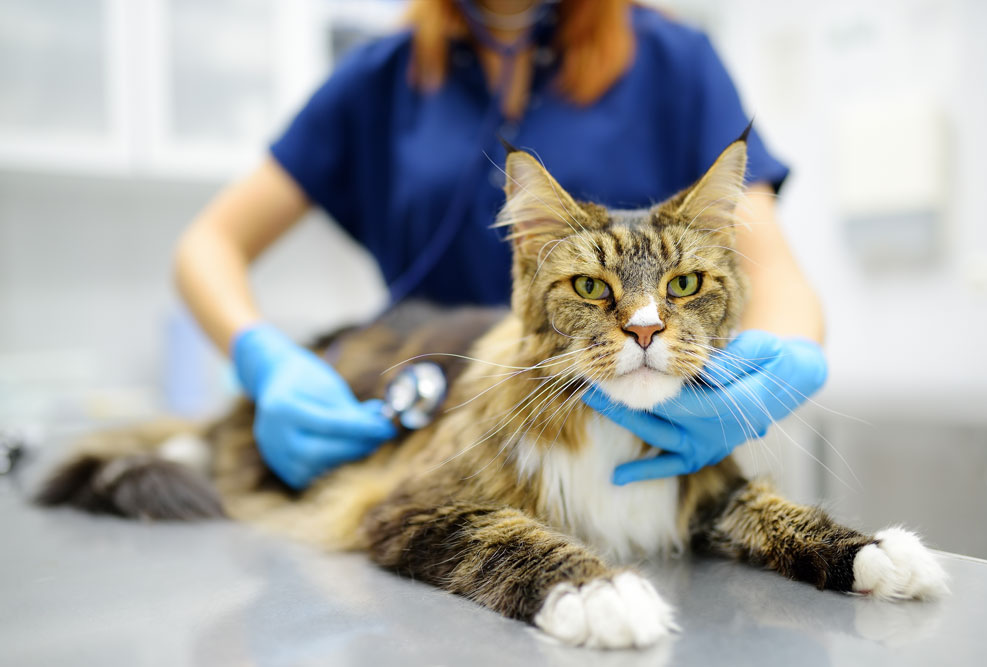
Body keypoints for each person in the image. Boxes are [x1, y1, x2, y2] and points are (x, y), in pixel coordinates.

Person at [173, 0, 826, 490]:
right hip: (436, 426)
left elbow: (770, 271)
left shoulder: (673, 61)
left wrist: (777, 372)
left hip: (627, 437)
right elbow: (208, 243)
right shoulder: (379, 75)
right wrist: (266, 358)